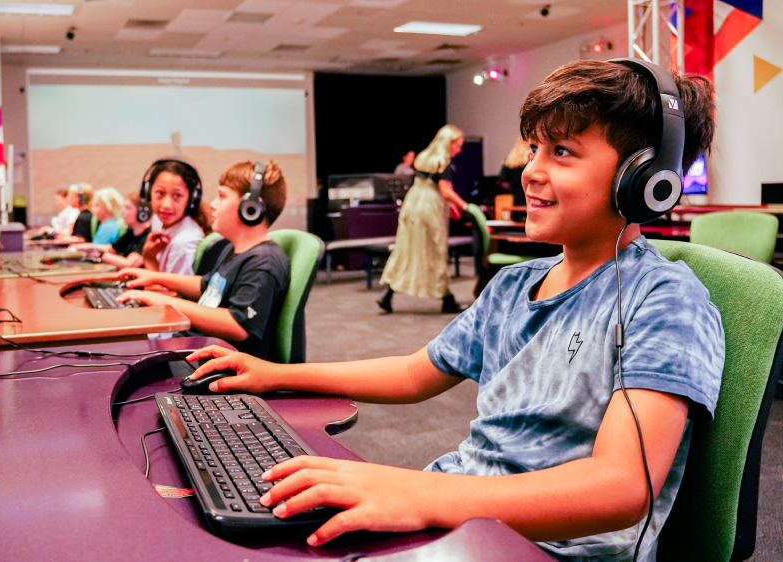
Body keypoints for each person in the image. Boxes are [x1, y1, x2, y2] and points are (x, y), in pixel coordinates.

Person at [182, 60, 723, 562]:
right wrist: (275, 374)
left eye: (561, 152)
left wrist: (425, 494)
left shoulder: (664, 299)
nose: (530, 171)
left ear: (645, 180)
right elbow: (415, 372)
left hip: (548, 548)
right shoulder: (514, 285)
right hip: (462, 512)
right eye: (532, 149)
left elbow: (623, 488)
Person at [114, 161, 290, 360]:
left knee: (117, 355)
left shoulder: (263, 261)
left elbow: (238, 325)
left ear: (250, 209)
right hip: (196, 347)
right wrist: (154, 276)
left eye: (222, 196)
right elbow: (205, 285)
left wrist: (164, 300)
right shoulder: (235, 251)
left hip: (216, 366)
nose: (212, 204)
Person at [378, 125, 469, 314]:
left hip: (412, 205)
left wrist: (450, 205)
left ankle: (387, 295)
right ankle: (447, 299)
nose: (459, 150)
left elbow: (428, 184)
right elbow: (445, 190)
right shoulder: (443, 162)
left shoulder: (423, 157)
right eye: (457, 146)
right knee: (435, 251)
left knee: (405, 250)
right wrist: (465, 206)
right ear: (448, 143)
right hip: (429, 209)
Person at [137, 159, 210, 275]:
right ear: (148, 192)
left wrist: (149, 258)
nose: (166, 205)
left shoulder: (184, 243)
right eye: (160, 193)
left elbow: (166, 293)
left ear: (190, 199)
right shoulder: (157, 219)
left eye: (177, 195)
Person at [99, 192, 151, 269]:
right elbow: (111, 249)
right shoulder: (131, 232)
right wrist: (86, 248)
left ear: (142, 213)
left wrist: (100, 254)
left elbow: (128, 263)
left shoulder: (148, 236)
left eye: (128, 208)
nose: (123, 211)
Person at [499, 137, 530, 204]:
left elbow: (503, 181)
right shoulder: (530, 158)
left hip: (513, 198)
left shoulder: (510, 158)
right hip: (528, 196)